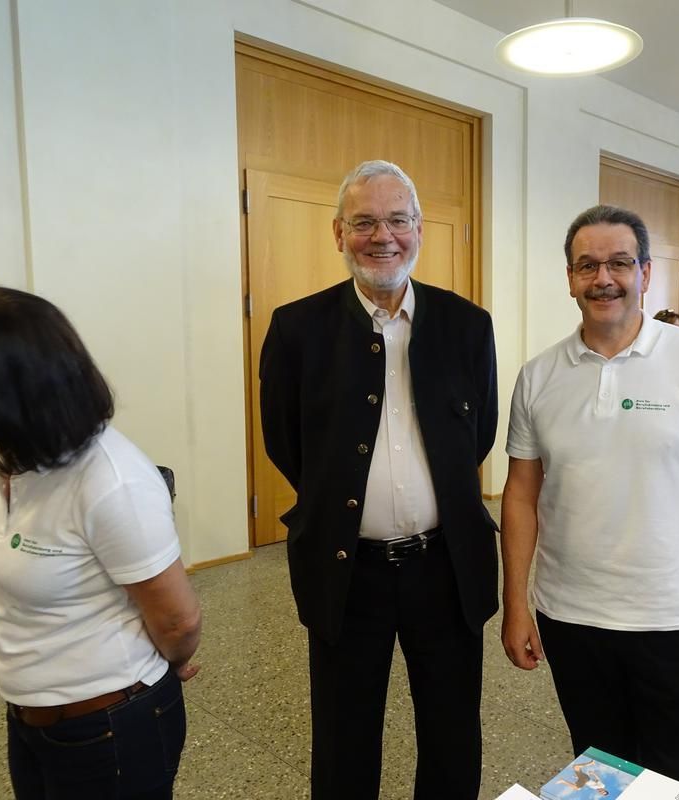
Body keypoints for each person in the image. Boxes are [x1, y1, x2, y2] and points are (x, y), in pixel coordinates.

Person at [259, 160, 499, 800]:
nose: (382, 236)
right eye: (364, 222)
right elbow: (285, 443)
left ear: (419, 228)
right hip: (346, 570)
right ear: (339, 233)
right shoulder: (296, 329)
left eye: (397, 220)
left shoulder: (467, 325)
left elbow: (478, 436)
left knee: (452, 732)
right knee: (343, 737)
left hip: (445, 567)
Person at [500, 205, 679, 790]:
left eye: (619, 263)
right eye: (587, 266)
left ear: (645, 272)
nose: (604, 279)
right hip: (570, 617)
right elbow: (520, 494)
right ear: (570, 278)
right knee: (598, 768)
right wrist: (515, 601)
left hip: (673, 618)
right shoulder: (538, 376)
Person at [0, 285, 201, 799]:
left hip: (106, 728)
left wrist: (169, 663)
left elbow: (178, 621)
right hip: (30, 717)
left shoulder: (112, 480)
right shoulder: (17, 458)